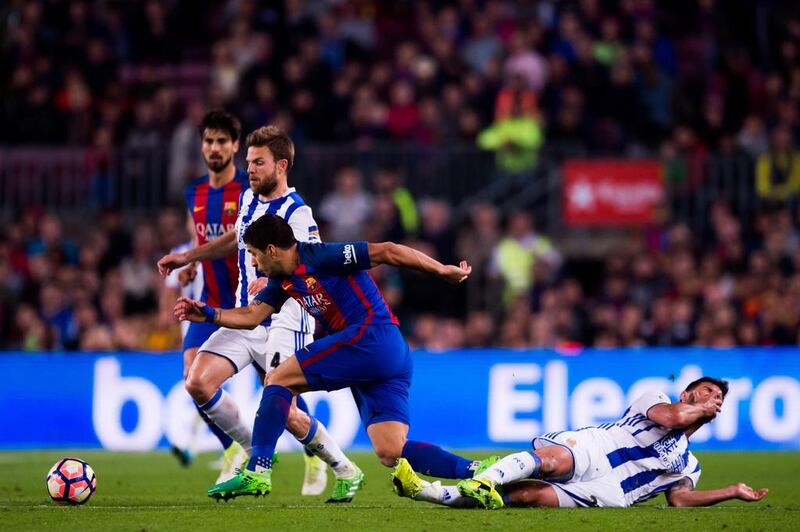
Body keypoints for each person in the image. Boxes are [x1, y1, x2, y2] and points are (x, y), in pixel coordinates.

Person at [173, 214, 494, 501]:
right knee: (390, 449)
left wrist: (441, 270)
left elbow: (388, 251)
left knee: (278, 379)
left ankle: (258, 469)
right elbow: (253, 316)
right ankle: (480, 471)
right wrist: (209, 314)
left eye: (255, 255)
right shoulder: (282, 279)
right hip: (389, 352)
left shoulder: (321, 254)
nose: (254, 264)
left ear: (272, 250)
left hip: (371, 336)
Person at [158, 125, 359, 500]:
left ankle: (345, 469)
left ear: (281, 165)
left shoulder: (298, 213)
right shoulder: (249, 200)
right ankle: (254, 450)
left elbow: (312, 265)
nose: (249, 169)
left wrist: (276, 282)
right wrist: (190, 255)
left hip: (286, 320)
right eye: (248, 162)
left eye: (258, 163)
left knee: (289, 414)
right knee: (197, 381)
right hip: (245, 315)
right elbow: (236, 239)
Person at [392, 377, 769, 510]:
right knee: (553, 461)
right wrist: (701, 408)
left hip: (611, 492)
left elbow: (680, 499)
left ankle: (424, 491)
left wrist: (731, 491)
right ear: (687, 393)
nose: (714, 399)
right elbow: (670, 419)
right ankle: (485, 477)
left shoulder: (690, 466)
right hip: (599, 446)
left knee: (527, 497)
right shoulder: (653, 397)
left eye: (719, 398)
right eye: (708, 392)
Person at [174, 110, 250, 480]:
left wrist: (191, 255)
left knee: (284, 392)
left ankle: (317, 456)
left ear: (236, 146)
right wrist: (192, 264)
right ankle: (233, 448)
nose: (215, 147)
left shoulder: (248, 191)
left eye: (222, 141)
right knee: (192, 378)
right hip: (210, 299)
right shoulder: (195, 192)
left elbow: (238, 239)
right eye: (209, 140)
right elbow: (200, 237)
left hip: (250, 305)